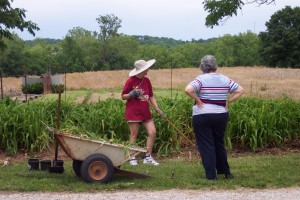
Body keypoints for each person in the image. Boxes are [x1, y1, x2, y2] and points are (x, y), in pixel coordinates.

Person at [185, 55, 244, 180]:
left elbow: (188, 90)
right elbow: (240, 90)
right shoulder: (224, 79)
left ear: (202, 67)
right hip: (221, 114)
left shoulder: (200, 79)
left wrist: (197, 99)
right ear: (214, 66)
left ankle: (211, 175)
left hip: (202, 114)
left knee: (207, 144)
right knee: (219, 143)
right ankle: (226, 172)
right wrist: (229, 101)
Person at [121, 59, 164, 166]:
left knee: (152, 132)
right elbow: (123, 96)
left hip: (145, 111)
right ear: (142, 70)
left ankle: (147, 157)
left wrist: (157, 108)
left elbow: (151, 96)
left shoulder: (147, 80)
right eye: (147, 68)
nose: (148, 69)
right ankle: (132, 157)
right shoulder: (130, 81)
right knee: (134, 135)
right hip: (133, 112)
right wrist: (132, 94)